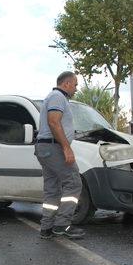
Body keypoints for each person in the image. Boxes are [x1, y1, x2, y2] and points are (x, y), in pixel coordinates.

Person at [35, 71, 85, 239]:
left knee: (52, 189)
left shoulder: (53, 97)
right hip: (53, 147)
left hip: (45, 148)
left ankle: (46, 228)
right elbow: (54, 122)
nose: (76, 89)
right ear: (67, 84)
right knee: (74, 183)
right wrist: (66, 148)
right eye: (75, 85)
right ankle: (62, 225)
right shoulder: (58, 97)